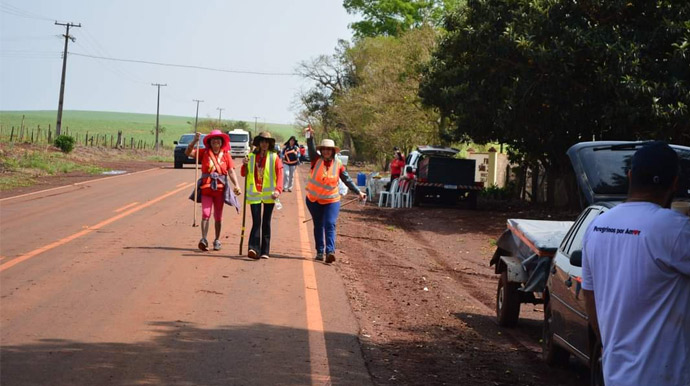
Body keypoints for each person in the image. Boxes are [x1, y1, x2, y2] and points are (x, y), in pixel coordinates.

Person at [581, 141, 690, 386]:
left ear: (630, 176)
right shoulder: (674, 228)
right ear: (674, 183)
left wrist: (611, 342)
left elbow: (589, 294)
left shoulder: (597, 225)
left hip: (616, 374)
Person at [304, 126, 366, 264]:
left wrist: (358, 191)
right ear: (321, 151)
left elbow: (347, 179)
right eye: (324, 149)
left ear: (332, 151)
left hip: (332, 200)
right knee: (318, 224)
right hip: (313, 200)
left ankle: (330, 251)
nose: (326, 151)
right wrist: (309, 136)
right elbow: (310, 146)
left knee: (330, 224)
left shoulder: (338, 164)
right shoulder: (316, 159)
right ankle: (320, 251)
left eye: (329, 149)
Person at [186, 130, 242, 251]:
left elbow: (231, 171)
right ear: (210, 142)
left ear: (222, 142)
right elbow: (188, 153)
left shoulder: (226, 155)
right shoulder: (204, 153)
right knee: (206, 214)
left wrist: (236, 185)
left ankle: (217, 240)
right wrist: (195, 141)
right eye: (213, 139)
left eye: (218, 139)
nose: (216, 141)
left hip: (220, 191)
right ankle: (204, 239)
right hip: (206, 189)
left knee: (218, 216)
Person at [241, 131, 283, 259]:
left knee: (266, 222)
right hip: (254, 194)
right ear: (258, 143)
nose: (264, 144)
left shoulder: (274, 157)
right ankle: (253, 249)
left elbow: (279, 175)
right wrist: (244, 164)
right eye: (262, 141)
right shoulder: (251, 156)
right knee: (256, 222)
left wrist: (278, 190)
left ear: (269, 144)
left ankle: (265, 251)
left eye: (267, 142)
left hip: (270, 195)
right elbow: (244, 173)